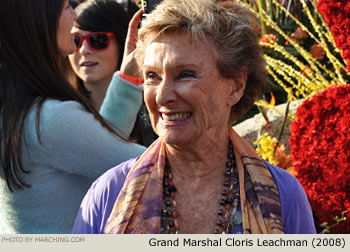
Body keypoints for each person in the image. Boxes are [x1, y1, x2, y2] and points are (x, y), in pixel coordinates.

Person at [72, 0, 316, 234]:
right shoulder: (109, 194)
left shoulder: (284, 196)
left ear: (236, 86)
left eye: (185, 74)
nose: (162, 96)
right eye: (152, 76)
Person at [0, 0, 146, 234]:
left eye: (98, 40)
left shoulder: (19, 112)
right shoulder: (49, 120)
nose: (73, 17)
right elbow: (147, 164)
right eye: (67, 7)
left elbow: (98, 150)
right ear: (41, 21)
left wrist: (128, 80)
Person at [68, 0, 157, 146]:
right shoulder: (60, 113)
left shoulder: (155, 107)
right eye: (75, 40)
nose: (84, 50)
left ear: (123, 43)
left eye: (98, 40)